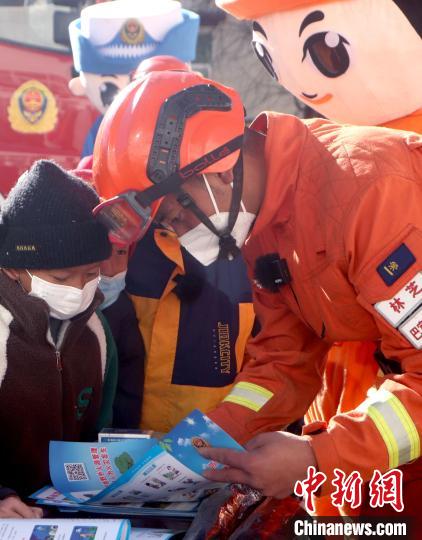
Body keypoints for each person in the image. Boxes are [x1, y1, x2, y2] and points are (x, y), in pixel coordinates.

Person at [92, 70, 422, 522]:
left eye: (176, 219)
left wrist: (317, 457)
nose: (180, 238)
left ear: (221, 173)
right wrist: (206, 441)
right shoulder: (261, 220)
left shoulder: (372, 193)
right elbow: (285, 359)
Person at [0, 160, 116, 518]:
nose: (79, 289)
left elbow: (100, 427)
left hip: (67, 514)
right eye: (62, 278)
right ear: (13, 268)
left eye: (91, 274)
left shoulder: (96, 331)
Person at [99, 243, 145, 429]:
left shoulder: (125, 312)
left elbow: (129, 389)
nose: (109, 269)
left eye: (120, 252)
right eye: (100, 252)